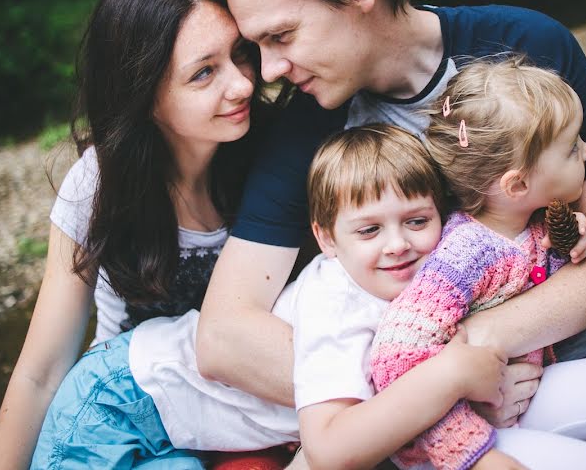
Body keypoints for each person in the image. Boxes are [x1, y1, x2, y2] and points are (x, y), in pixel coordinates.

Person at [197, 0, 586, 431]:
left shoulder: (527, 49)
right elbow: (223, 336)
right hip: (433, 427)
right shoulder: (310, 123)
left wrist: (479, 348)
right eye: (258, 45)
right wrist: (438, 391)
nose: (269, 71)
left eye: (282, 36)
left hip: (574, 379)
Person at [28, 124, 507, 469]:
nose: (398, 244)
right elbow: (331, 449)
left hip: (178, 423)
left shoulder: (431, 262)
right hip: (122, 399)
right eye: (369, 230)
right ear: (327, 240)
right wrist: (455, 374)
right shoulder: (336, 305)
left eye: (417, 221)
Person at [0, 0, 271, 469]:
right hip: (134, 414)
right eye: (204, 72)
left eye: (239, 54)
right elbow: (42, 370)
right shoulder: (100, 183)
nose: (242, 84)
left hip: (241, 415)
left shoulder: (271, 163)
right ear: (145, 97)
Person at [370, 58, 586, 470]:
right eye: (573, 147)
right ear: (517, 184)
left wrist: (573, 240)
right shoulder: (462, 257)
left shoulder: (530, 225)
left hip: (520, 403)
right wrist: (470, 449)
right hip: (454, 444)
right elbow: (396, 360)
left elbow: (541, 272)